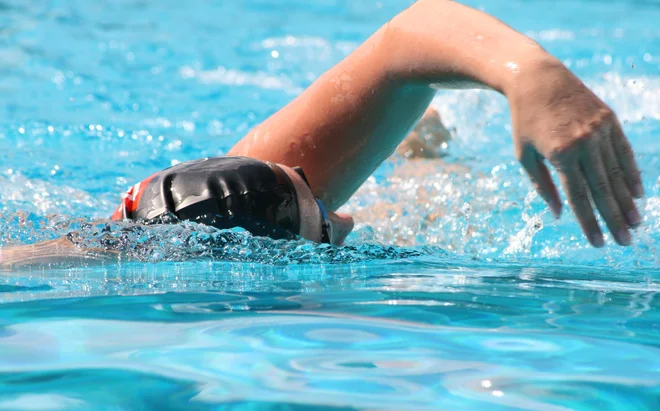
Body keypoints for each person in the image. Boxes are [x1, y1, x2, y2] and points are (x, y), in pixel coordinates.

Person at [0, 0, 644, 268]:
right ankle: (423, 155)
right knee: (406, 214)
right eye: (325, 226)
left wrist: (532, 74)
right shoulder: (226, 222)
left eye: (313, 195)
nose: (345, 219)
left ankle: (421, 148)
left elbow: (414, 30)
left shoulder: (246, 184)